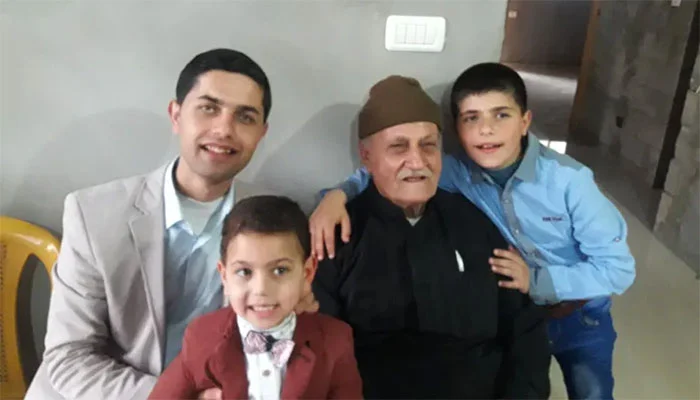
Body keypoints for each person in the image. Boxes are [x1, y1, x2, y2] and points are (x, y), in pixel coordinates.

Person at [311, 63, 636, 400]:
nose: (418, 161)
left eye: (428, 145)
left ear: (525, 121)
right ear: (366, 156)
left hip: (579, 310)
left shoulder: (495, 210)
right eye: (398, 147)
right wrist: (336, 196)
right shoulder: (338, 237)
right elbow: (321, 349)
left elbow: (523, 331)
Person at [26, 48, 280, 400]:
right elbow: (70, 357)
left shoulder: (275, 219)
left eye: (245, 117)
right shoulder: (93, 214)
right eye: (209, 108)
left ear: (261, 133)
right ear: (176, 115)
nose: (224, 129)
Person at [148, 196, 363, 400]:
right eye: (244, 272)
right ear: (224, 276)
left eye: (280, 270)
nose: (261, 289)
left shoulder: (335, 341)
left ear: (307, 273)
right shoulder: (201, 337)